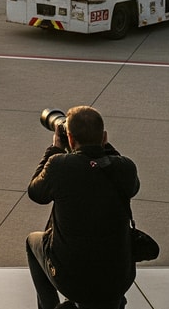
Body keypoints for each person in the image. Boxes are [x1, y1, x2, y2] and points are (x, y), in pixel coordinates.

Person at [25, 105, 138, 309]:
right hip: (119, 277)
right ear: (104, 137)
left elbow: (36, 193)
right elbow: (132, 185)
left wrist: (55, 148)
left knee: (32, 242)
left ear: (69, 138)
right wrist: (103, 147)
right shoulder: (125, 168)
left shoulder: (59, 165)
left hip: (72, 281)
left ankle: (50, 305)